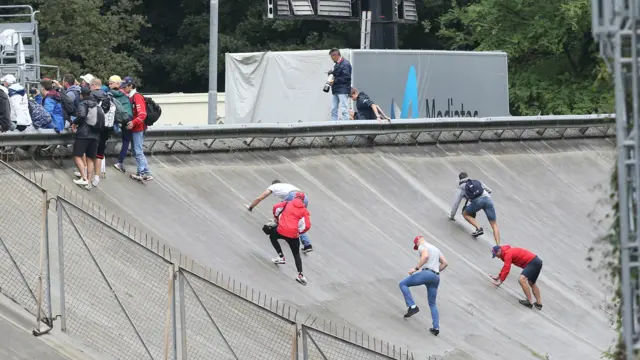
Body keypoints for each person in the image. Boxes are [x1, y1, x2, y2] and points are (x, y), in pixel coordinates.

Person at [399, 236, 448, 336]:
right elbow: (445, 263)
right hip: (436, 277)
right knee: (432, 303)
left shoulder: (422, 246)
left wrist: (416, 268)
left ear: (417, 243)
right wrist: (435, 272)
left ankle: (412, 306)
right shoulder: (436, 249)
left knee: (403, 284)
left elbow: (425, 257)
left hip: (427, 273)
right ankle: (436, 328)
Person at [247, 180, 313, 252]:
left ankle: (282, 231)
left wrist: (250, 207)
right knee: (297, 220)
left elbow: (259, 198)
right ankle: (307, 245)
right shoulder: (286, 185)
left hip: (293, 196)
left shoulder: (273, 187)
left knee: (282, 210)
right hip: (304, 197)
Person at [270, 192, 311, 285]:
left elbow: (276, 207)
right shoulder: (304, 211)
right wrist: (299, 232)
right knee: (296, 254)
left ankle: (281, 256)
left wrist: (276, 218)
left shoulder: (287, 203)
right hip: (293, 235)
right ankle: (300, 275)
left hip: (281, 230)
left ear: (295, 197)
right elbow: (307, 225)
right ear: (303, 200)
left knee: (272, 236)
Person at [449, 172, 501, 244]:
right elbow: (489, 190)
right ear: (467, 177)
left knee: (465, 214)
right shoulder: (476, 181)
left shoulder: (461, 187)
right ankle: (498, 246)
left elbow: (456, 203)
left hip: (477, 202)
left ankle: (479, 228)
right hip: (488, 200)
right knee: (494, 224)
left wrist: (452, 216)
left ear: (460, 179)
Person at [120, 76, 153, 181]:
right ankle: (147, 173)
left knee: (137, 150)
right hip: (136, 128)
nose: (124, 88)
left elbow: (142, 114)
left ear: (130, 86)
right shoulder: (130, 96)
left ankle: (141, 172)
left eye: (125, 86)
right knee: (137, 150)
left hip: (138, 128)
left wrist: (133, 123)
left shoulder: (136, 97)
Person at [490, 245, 543, 309]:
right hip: (537, 261)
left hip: (532, 262)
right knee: (531, 283)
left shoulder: (507, 254)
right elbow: (505, 267)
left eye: (496, 255)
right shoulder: (505, 252)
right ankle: (539, 304)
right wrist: (498, 277)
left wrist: (500, 282)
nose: (497, 257)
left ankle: (529, 302)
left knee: (521, 280)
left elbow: (507, 268)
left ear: (499, 250)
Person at [71, 87, 104, 190]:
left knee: (77, 156)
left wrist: (74, 122)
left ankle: (84, 178)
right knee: (90, 159)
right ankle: (89, 182)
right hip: (96, 135)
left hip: (83, 134)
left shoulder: (83, 103)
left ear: (82, 95)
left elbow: (81, 116)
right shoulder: (97, 105)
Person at [108, 75, 134, 173]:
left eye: (110, 83)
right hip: (128, 118)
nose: (109, 85)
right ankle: (120, 162)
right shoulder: (125, 94)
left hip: (118, 120)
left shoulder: (109, 94)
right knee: (126, 141)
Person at [328, 48, 352, 121]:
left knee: (344, 109)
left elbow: (346, 78)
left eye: (332, 57)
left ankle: (347, 125)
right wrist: (331, 73)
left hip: (343, 89)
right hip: (336, 89)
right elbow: (339, 75)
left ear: (335, 55)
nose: (331, 59)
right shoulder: (337, 64)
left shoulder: (346, 63)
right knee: (333, 108)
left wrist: (334, 81)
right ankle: (333, 124)